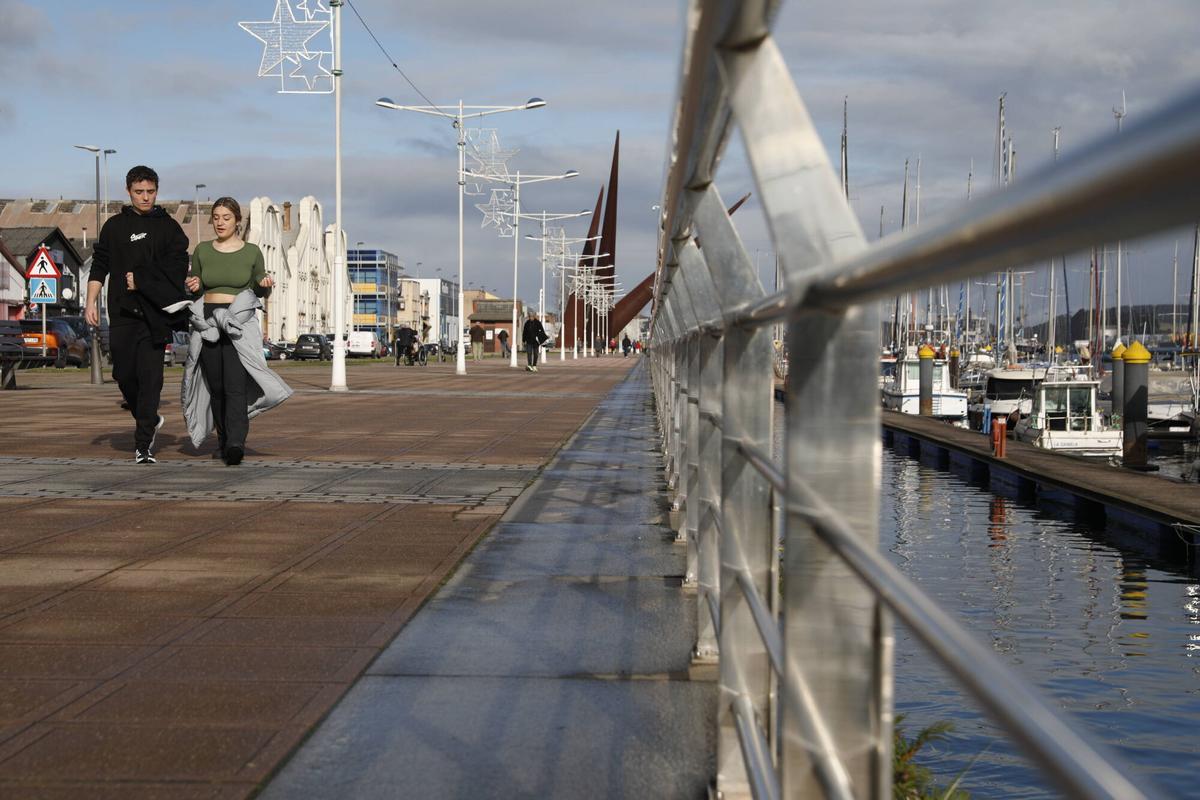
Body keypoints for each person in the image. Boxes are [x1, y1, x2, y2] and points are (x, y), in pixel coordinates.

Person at [85, 166, 190, 464]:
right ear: (128, 191)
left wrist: (142, 280)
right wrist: (90, 301)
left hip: (154, 315)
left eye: (150, 192)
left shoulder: (168, 227)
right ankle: (150, 419)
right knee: (124, 375)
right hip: (121, 312)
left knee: (150, 379)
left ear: (157, 191)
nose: (145, 197)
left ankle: (143, 444)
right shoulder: (114, 226)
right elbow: (99, 265)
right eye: (139, 192)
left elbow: (178, 266)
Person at [182, 197, 290, 465]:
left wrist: (266, 284)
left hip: (238, 324)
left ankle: (236, 443)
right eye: (216, 217)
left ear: (237, 221)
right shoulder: (203, 250)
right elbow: (196, 287)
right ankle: (222, 440)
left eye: (226, 217)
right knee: (216, 386)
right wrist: (192, 285)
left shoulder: (251, 252)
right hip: (208, 324)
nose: (220, 222)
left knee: (235, 385)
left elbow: (260, 289)